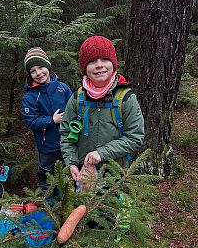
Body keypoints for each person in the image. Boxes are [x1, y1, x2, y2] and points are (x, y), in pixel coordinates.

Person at [60, 35, 145, 182]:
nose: (99, 65)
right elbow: (66, 133)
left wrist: (102, 153)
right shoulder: (77, 98)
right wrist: (71, 163)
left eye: (104, 59)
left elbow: (135, 137)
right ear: (85, 68)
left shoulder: (125, 98)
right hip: (83, 174)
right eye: (92, 61)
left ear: (113, 64)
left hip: (114, 175)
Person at [21, 47, 72, 194]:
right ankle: (46, 197)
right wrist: (52, 120)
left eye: (41, 67)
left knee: (65, 170)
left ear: (48, 66)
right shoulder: (30, 96)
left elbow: (74, 109)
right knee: (45, 170)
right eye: (33, 71)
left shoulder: (62, 88)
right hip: (46, 144)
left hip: (66, 140)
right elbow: (31, 122)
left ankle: (64, 197)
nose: (38, 73)